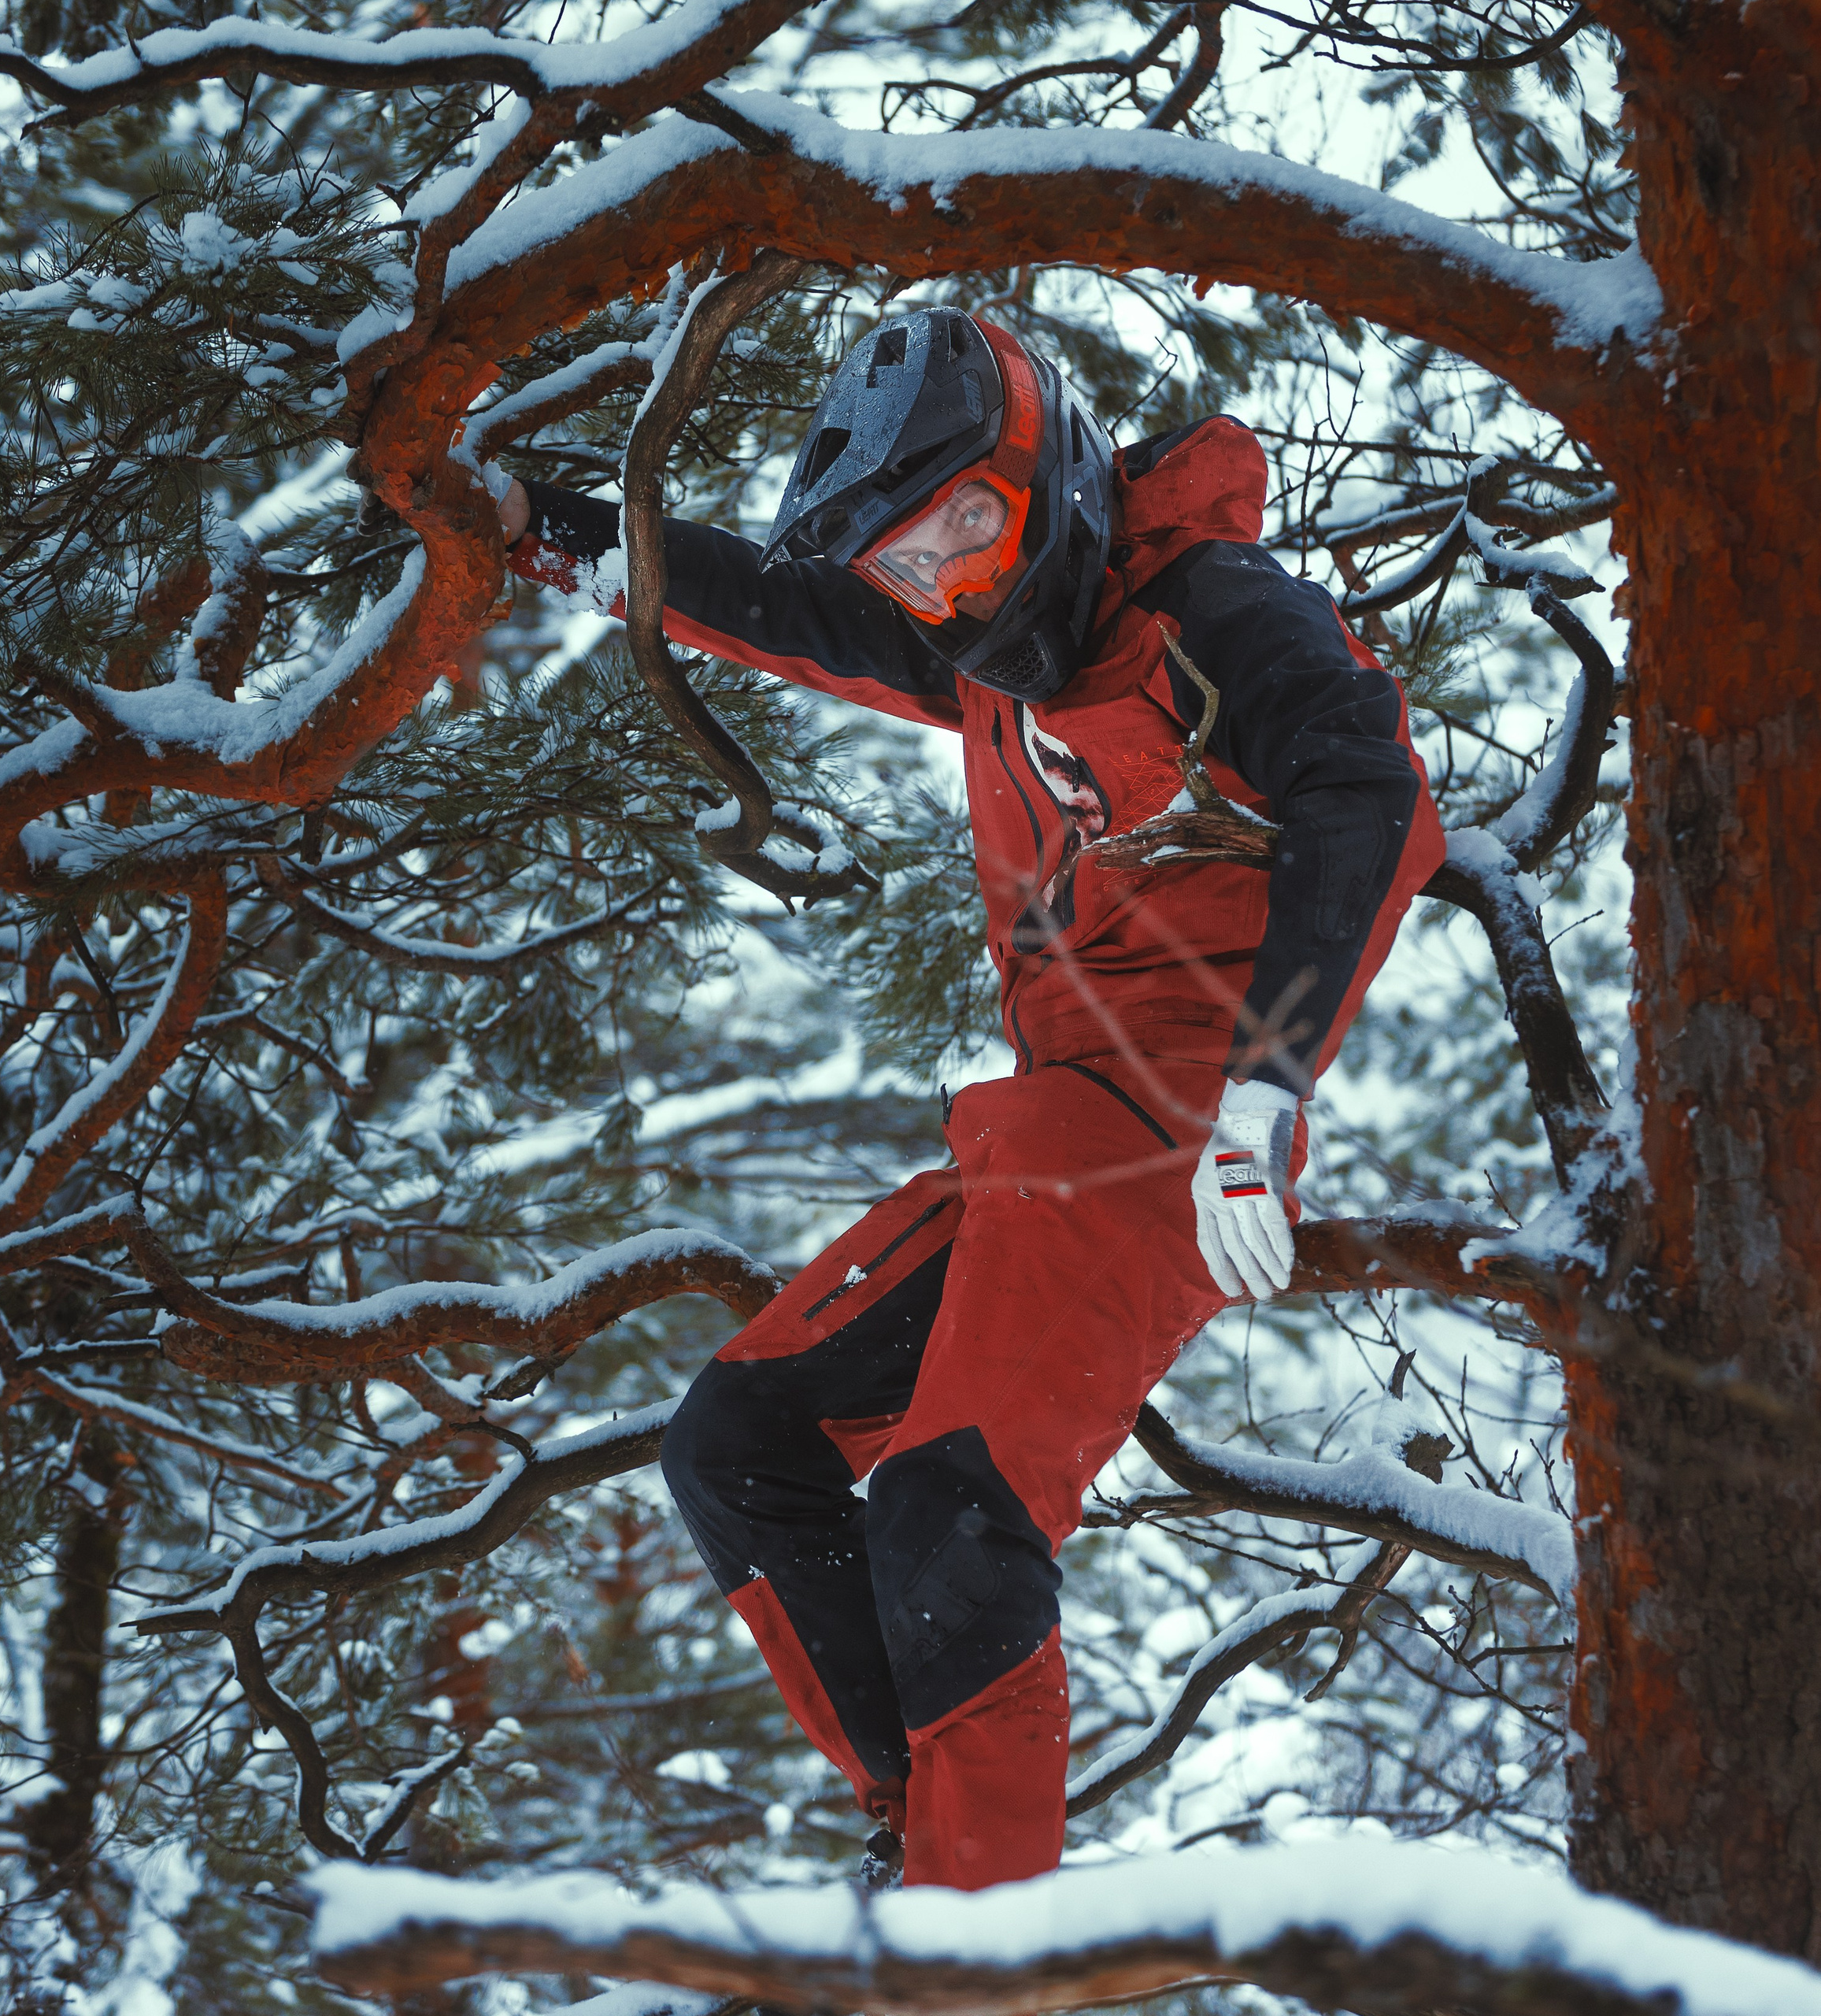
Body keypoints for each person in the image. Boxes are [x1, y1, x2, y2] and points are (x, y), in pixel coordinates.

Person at [492, 306, 1445, 1890]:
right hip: (1043, 1130)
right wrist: (539, 530)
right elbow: (784, 610)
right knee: (737, 1439)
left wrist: (1267, 1088)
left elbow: (1370, 789)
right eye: (910, 567)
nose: (952, 588)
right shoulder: (983, 656)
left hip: (1176, 1133)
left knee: (952, 1507)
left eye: (968, 529)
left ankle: (973, 1947)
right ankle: (924, 1848)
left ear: (1048, 471)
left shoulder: (1211, 609)